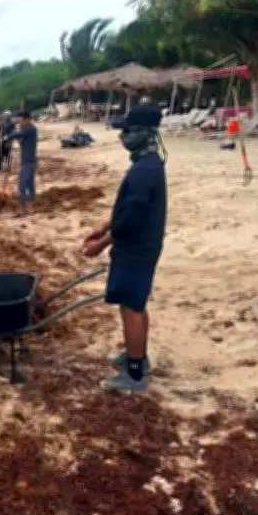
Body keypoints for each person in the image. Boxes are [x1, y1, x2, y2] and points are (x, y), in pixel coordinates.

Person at [81, 104, 167, 393]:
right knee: (135, 303)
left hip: (136, 248)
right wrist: (104, 226)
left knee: (131, 307)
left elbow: (131, 219)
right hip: (141, 244)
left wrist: (101, 244)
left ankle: (134, 376)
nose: (123, 137)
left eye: (127, 131)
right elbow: (128, 208)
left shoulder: (145, 170)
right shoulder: (149, 163)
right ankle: (138, 358)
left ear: (144, 133)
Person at [3, 111, 38, 217]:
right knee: (30, 184)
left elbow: (17, 134)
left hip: (29, 162)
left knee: (22, 185)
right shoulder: (26, 129)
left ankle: (23, 209)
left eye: (20, 121)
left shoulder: (31, 129)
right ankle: (31, 207)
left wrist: (7, 136)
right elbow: (20, 140)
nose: (19, 123)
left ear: (27, 120)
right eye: (18, 121)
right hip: (28, 160)